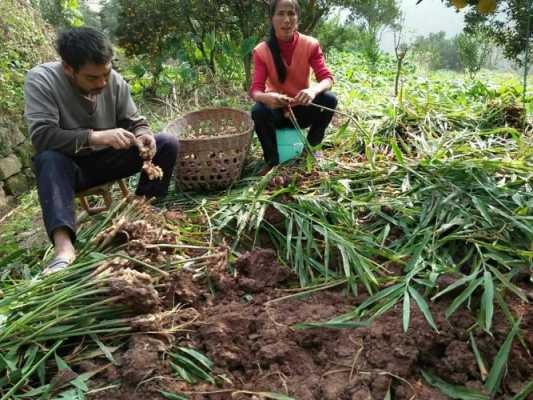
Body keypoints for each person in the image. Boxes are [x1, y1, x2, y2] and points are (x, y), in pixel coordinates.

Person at [24, 27, 179, 274]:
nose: (102, 83)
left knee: (167, 142)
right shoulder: (42, 80)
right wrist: (96, 137)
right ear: (68, 68)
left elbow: (135, 121)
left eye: (106, 74)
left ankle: (143, 209)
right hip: (71, 169)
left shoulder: (113, 81)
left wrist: (143, 135)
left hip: (108, 160)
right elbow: (42, 136)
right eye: (92, 78)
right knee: (48, 159)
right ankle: (64, 250)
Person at [250, 0, 337, 174]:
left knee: (329, 99)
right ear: (272, 18)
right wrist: (267, 98)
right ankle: (272, 161)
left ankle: (311, 148)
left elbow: (327, 78)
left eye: (291, 14)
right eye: (280, 14)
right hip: (278, 113)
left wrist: (312, 91)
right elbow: (255, 90)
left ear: (297, 18)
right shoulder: (262, 51)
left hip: (303, 110)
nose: (286, 19)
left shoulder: (310, 45)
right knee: (258, 110)